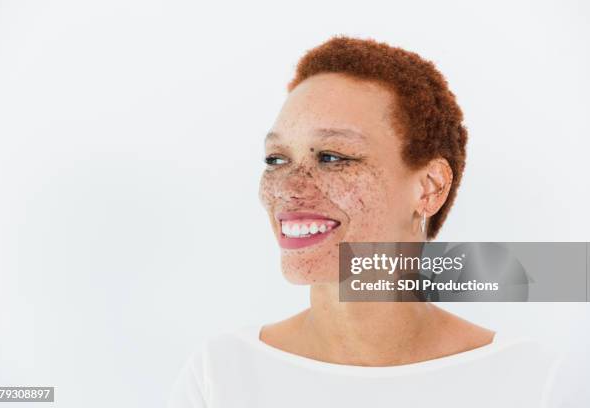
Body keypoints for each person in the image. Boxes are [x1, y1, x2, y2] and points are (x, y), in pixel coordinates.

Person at [167, 36, 556, 407]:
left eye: (333, 157)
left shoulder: (529, 380)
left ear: (429, 188)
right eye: (276, 159)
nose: (287, 190)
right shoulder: (221, 377)